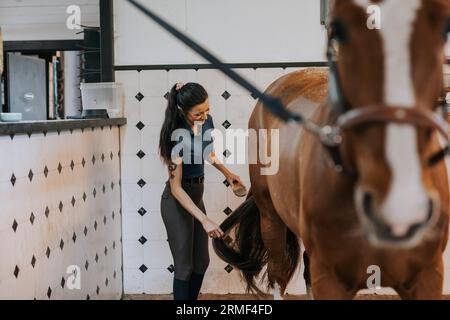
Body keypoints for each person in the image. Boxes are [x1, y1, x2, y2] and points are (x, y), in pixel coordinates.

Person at [158, 82, 245, 300]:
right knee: (184, 267)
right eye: (198, 113)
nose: (205, 116)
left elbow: (207, 151)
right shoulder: (175, 135)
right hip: (177, 201)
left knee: (201, 263)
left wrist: (227, 173)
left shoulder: (207, 121)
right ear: (182, 111)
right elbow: (176, 188)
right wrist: (205, 220)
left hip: (197, 195)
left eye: (207, 109)